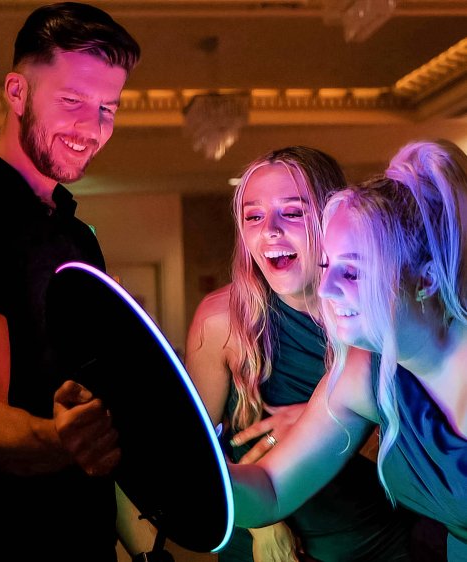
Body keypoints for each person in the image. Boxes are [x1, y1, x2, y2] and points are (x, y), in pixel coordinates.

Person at [0, 3, 155, 558]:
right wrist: (64, 439)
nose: (92, 128)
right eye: (72, 101)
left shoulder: (74, 233)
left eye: (107, 109)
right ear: (17, 93)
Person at [227, 139, 467, 561]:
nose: (325, 289)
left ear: (426, 279)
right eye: (327, 266)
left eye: (352, 271)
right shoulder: (363, 370)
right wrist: (183, 472)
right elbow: (271, 488)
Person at [186, 146, 414, 562]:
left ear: (333, 219)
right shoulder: (222, 320)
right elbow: (193, 449)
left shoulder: (383, 318)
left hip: (375, 544)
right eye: (253, 217)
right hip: (263, 545)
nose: (270, 230)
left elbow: (430, 448)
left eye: (292, 212)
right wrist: (262, 523)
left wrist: (328, 423)